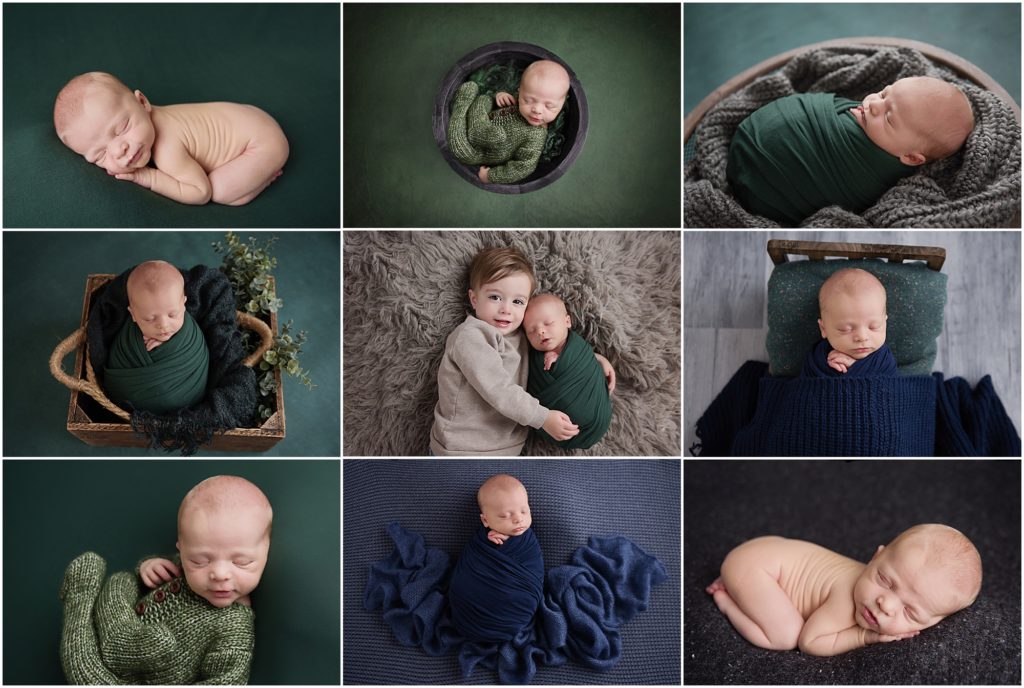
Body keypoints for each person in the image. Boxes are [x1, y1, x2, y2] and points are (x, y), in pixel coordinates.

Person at [58, 476, 273, 683]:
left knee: (83, 669)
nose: (219, 574)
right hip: (121, 626)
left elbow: (227, 681)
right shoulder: (182, 566)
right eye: (199, 561)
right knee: (121, 581)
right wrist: (148, 567)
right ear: (182, 549)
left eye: (241, 562)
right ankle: (118, 638)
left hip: (129, 680)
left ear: (265, 553)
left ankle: (79, 600)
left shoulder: (234, 628)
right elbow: (154, 575)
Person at [429, 247, 613, 456]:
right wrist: (542, 418)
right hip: (462, 446)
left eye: (517, 301)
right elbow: (499, 389)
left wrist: (594, 359)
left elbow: (551, 351)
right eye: (495, 297)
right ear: (474, 299)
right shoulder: (471, 337)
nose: (506, 309)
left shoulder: (522, 335)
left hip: (509, 448)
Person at [727, 76, 975, 225]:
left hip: (765, 191)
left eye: (888, 118)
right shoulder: (877, 123)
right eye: (883, 93)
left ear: (910, 157)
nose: (874, 105)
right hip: (752, 144)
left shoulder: (880, 181)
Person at [705, 524, 982, 656]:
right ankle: (726, 598)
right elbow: (810, 642)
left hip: (762, 550)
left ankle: (734, 582)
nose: (885, 604)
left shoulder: (870, 586)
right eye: (885, 581)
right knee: (785, 636)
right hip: (757, 569)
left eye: (909, 612)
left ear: (935, 622)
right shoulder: (847, 601)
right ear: (875, 557)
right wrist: (864, 635)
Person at [54, 71, 288, 206]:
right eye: (101, 154)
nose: (119, 151)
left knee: (220, 192)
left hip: (261, 145)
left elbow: (200, 193)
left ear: (143, 102)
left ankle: (266, 176)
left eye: (122, 128)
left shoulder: (167, 149)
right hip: (254, 116)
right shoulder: (151, 118)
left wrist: (147, 177)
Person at [103, 260, 210, 414]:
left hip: (188, 393)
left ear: (184, 304)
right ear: (133, 314)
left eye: (173, 314)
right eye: (149, 319)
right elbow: (116, 366)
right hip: (134, 394)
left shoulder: (190, 334)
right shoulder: (128, 339)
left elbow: (201, 355)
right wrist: (139, 344)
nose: (163, 325)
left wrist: (169, 345)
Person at [447, 60, 570, 184]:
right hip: (481, 121)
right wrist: (500, 95)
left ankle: (461, 108)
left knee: (460, 151)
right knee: (484, 99)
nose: (537, 110)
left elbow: (522, 168)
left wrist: (490, 176)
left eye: (549, 106)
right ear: (520, 90)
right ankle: (475, 126)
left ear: (561, 105)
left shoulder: (535, 137)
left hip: (481, 150)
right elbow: (500, 100)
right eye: (528, 100)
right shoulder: (517, 98)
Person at [523, 294, 613, 448]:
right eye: (531, 330)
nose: (540, 331)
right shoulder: (531, 358)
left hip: (599, 417)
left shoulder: (579, 346)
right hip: (557, 428)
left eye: (548, 323)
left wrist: (597, 359)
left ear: (567, 321)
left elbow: (584, 357)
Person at [815, 268, 889, 374]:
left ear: (885, 323)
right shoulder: (818, 358)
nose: (862, 337)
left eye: (874, 327)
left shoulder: (883, 359)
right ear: (823, 329)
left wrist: (856, 368)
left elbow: (891, 385)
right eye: (845, 329)